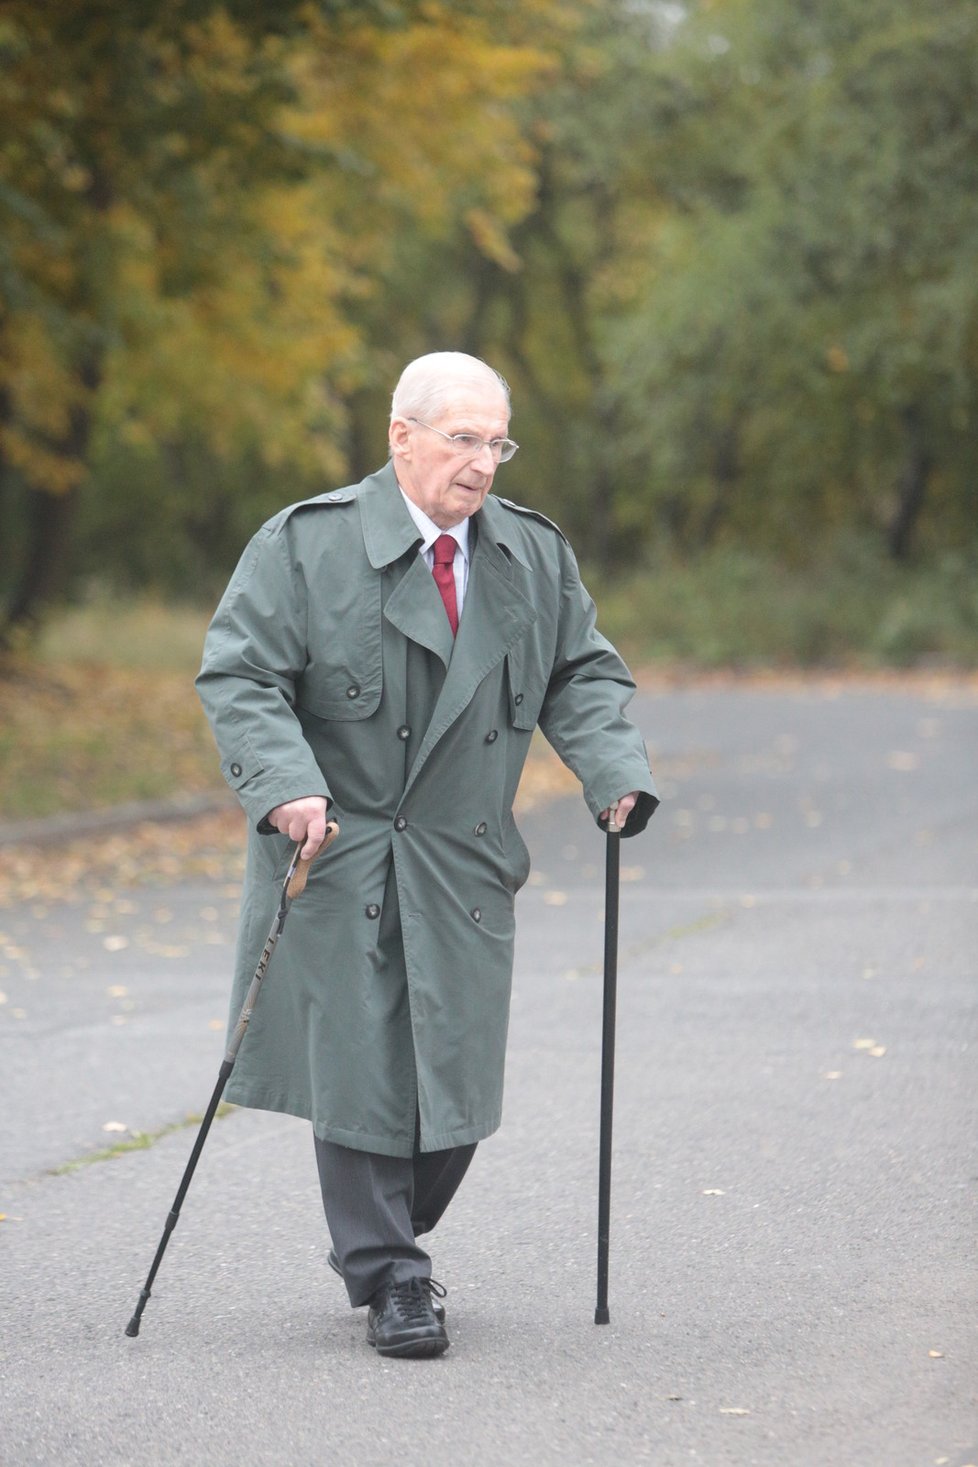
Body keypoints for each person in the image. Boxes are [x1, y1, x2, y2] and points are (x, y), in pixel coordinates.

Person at [196, 351, 657, 1359]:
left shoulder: (530, 556)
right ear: (402, 438)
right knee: (360, 1063)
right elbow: (240, 675)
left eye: (498, 441)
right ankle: (394, 1276)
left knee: (453, 1086)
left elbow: (583, 671)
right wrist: (287, 786)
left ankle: (395, 1230)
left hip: (465, 854)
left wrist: (612, 769)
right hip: (342, 846)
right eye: (464, 438)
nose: (484, 461)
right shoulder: (305, 546)